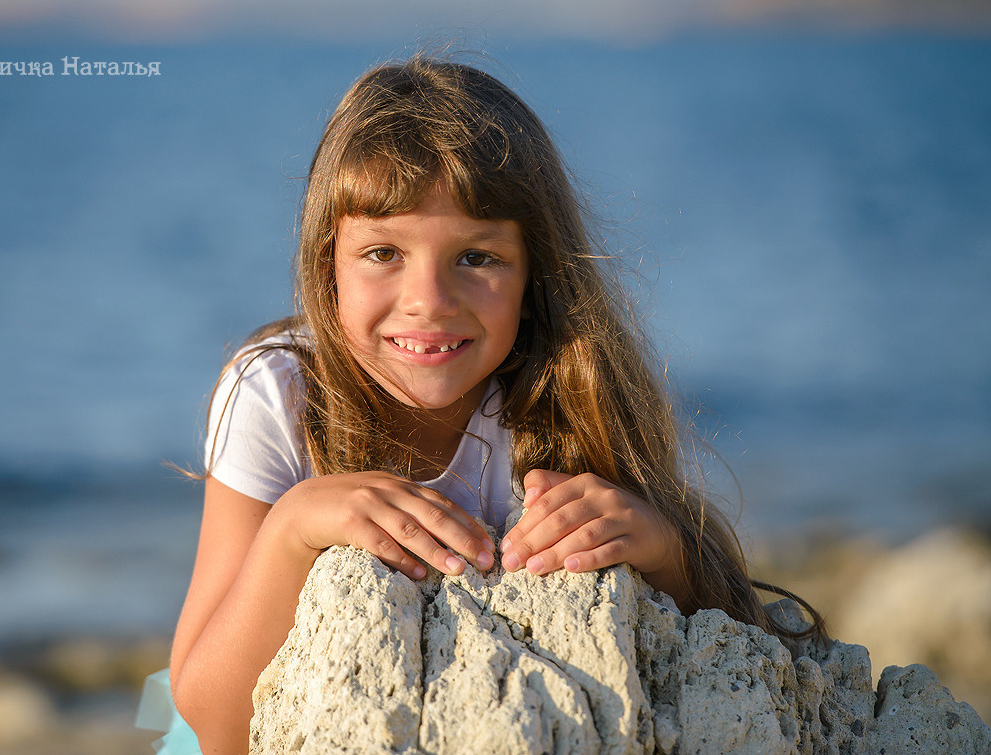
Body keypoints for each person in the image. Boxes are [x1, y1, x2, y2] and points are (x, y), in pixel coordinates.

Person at [138, 55, 823, 755]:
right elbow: (209, 722)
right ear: (326, 266)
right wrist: (290, 531)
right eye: (382, 252)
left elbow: (744, 661)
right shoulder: (280, 392)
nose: (429, 300)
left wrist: (668, 554)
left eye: (477, 258)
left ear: (536, 275)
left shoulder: (567, 387)